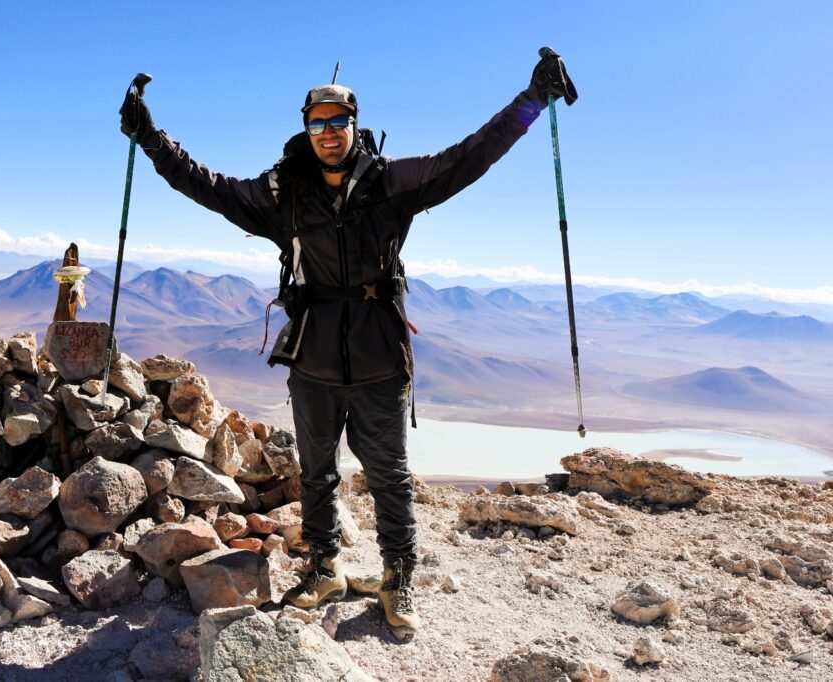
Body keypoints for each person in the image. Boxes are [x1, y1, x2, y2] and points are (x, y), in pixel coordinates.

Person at [119, 53, 577, 633]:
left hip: (379, 354)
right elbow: (206, 185)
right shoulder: (283, 192)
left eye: (338, 121)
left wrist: (531, 100)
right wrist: (151, 138)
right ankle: (324, 568)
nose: (328, 132)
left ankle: (398, 577)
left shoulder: (391, 183)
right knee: (316, 472)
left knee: (388, 474)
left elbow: (470, 156)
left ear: (355, 124)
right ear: (306, 128)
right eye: (318, 123)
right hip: (312, 356)